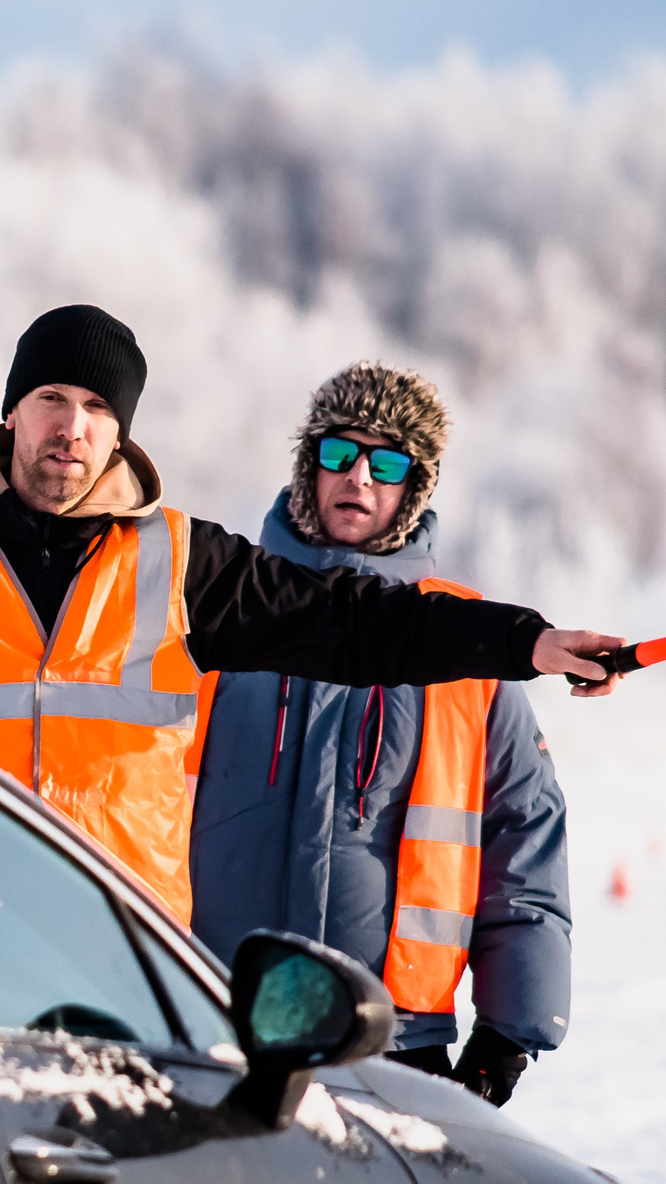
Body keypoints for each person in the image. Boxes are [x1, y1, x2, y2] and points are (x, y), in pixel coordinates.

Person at [0, 303, 619, 928]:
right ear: (12, 411)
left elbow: (356, 622)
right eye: (51, 396)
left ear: (120, 434)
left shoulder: (179, 561)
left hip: (121, 954)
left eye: (96, 406)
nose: (71, 425)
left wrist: (527, 642)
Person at [187, 362, 567, 1104]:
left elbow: (527, 833)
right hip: (213, 1019)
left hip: (393, 1046)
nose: (357, 476)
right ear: (308, 465)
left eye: (385, 462)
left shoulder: (463, 647)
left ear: (412, 487)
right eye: (338, 453)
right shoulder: (218, 614)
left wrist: (506, 1032)